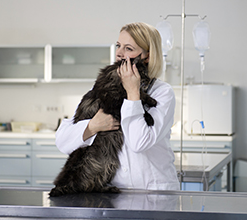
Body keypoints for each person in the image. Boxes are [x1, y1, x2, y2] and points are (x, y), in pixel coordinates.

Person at [55, 22, 180, 191]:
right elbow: (62, 141)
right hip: (115, 192)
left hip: (153, 190)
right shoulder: (104, 88)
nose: (120, 53)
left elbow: (139, 142)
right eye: (118, 46)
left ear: (147, 56)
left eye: (128, 48)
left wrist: (133, 92)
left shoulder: (162, 93)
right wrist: (92, 126)